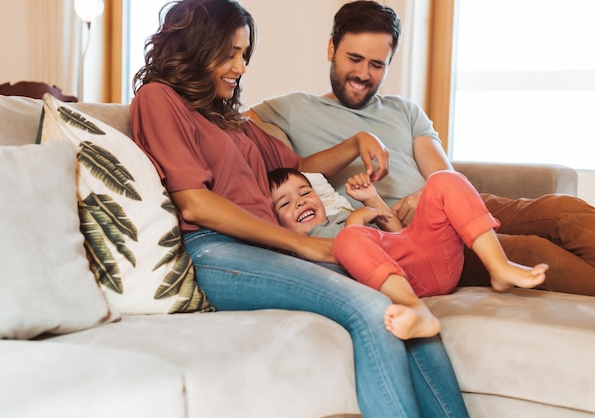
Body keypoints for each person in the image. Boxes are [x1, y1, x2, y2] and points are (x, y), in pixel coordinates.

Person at [129, 1, 470, 417]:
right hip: (213, 252)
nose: (241, 66)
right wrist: (302, 244)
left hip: (262, 251)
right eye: (231, 53)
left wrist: (354, 143)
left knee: (401, 298)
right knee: (372, 309)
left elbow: (296, 168)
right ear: (199, 48)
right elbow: (194, 203)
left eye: (244, 54)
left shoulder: (229, 118)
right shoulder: (158, 98)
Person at [249, 0, 595, 297]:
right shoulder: (291, 109)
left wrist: (424, 196)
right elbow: (283, 160)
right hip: (410, 237)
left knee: (562, 210)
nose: (363, 74)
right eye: (354, 59)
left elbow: (445, 174)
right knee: (534, 250)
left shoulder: (404, 109)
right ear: (331, 50)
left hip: (450, 204)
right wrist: (355, 143)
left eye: (377, 64)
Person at [268, 168, 548, 340]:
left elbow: (397, 232)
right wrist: (356, 223)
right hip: (402, 281)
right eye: (285, 203)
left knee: (444, 180)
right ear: (275, 221)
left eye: (305, 192)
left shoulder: (341, 213)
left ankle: (498, 266)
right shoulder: (300, 245)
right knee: (349, 239)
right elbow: (344, 260)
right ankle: (416, 310)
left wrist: (371, 201)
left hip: (431, 258)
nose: (300, 201)